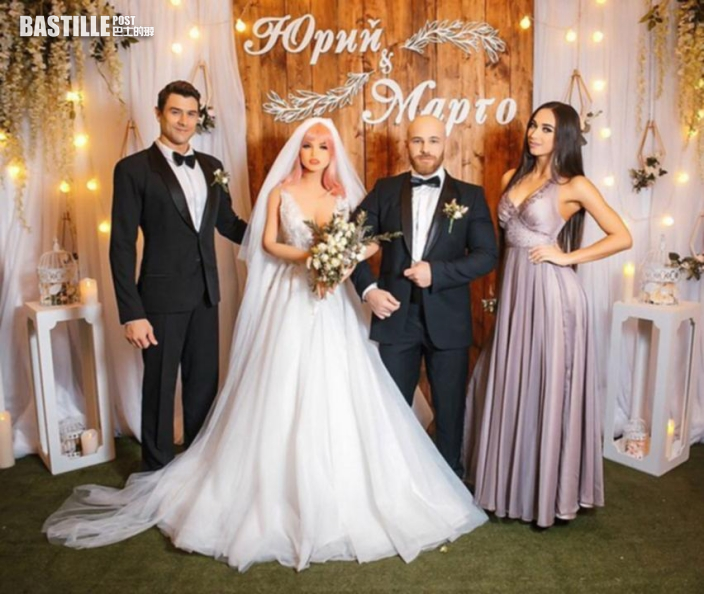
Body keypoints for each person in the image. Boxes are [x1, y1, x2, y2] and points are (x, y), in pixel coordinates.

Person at [44, 118, 488, 572]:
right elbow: (268, 242)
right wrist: (312, 258)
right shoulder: (280, 192)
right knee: (279, 387)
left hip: (333, 305)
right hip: (290, 300)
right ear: (298, 151)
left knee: (339, 389)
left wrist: (339, 263)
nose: (315, 155)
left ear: (333, 154)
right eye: (308, 147)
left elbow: (367, 241)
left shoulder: (344, 196)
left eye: (323, 148)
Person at [462, 101, 632, 528]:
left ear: (565, 137)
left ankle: (546, 495)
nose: (534, 134)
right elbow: (507, 243)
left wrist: (567, 257)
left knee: (549, 385)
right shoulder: (511, 178)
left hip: (554, 298)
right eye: (534, 126)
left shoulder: (575, 185)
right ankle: (506, 487)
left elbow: (622, 236)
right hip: (517, 296)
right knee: (510, 379)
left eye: (546, 129)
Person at [109, 81, 248, 471]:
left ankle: (197, 471)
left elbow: (228, 223)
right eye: (175, 112)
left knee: (203, 386)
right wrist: (132, 313)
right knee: (159, 388)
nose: (184, 121)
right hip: (160, 300)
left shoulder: (212, 167)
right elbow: (121, 244)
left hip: (206, 295)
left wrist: (277, 238)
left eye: (191, 113)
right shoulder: (133, 169)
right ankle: (156, 472)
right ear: (158, 114)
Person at [351, 115, 498, 477]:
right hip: (394, 316)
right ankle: (392, 482)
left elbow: (487, 255)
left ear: (446, 143)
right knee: (391, 409)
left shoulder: (470, 195)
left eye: (433, 140)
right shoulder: (385, 190)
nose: (425, 149)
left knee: (449, 411)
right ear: (407, 145)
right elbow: (348, 242)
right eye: (417, 141)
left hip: (449, 320)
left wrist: (438, 272)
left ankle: (450, 482)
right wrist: (369, 291)